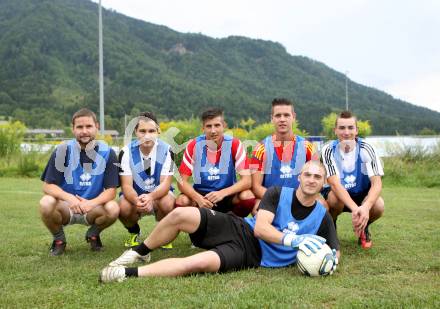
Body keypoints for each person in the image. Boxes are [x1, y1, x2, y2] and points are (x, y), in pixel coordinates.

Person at [99, 161, 339, 283]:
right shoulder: (277, 193)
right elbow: (262, 229)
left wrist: (326, 261)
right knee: (180, 214)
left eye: (317, 177)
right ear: (299, 177)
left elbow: (334, 252)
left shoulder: (323, 217)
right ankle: (140, 251)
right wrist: (294, 240)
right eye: (307, 175)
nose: (311, 180)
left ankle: (125, 273)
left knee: (195, 264)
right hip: (241, 228)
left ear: (323, 183)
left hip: (251, 256)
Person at [39, 108, 120, 256]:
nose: (84, 131)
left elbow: (111, 191)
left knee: (113, 208)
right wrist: (70, 198)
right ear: (73, 129)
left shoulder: (108, 153)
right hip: (66, 207)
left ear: (97, 127)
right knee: (46, 202)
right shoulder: (62, 151)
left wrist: (91, 203)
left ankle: (93, 234)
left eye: (88, 126)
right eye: (80, 127)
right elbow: (48, 186)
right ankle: (59, 240)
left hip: (92, 208)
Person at [320, 110, 384, 249]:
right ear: (335, 130)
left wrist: (365, 208)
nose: (346, 132)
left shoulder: (367, 148)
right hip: (338, 195)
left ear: (356, 130)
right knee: (334, 199)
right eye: (342, 128)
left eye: (350, 127)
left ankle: (364, 227)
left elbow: (377, 183)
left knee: (379, 205)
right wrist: (356, 209)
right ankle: (332, 228)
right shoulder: (328, 149)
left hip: (361, 194)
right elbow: (334, 184)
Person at [176, 108, 255, 217]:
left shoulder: (235, 144)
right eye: (209, 126)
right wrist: (198, 198)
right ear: (203, 128)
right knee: (182, 200)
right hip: (202, 197)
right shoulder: (194, 145)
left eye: (217, 125)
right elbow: (181, 182)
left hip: (227, 195)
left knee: (248, 196)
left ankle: (233, 225)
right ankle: (197, 229)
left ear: (224, 126)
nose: (213, 131)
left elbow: (247, 181)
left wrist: (223, 193)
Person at [118, 112, 175, 248]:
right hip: (135, 197)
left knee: (167, 202)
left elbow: (165, 184)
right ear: (136, 132)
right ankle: (134, 232)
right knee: (123, 207)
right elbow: (126, 186)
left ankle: (164, 235)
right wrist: (137, 200)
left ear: (158, 131)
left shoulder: (168, 150)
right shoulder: (125, 152)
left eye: (151, 131)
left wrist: (150, 197)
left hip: (159, 196)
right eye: (142, 131)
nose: (147, 135)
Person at [250, 98, 315, 214]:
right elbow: (256, 187)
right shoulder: (260, 148)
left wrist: (299, 199)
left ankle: (326, 227)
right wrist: (281, 200)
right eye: (278, 115)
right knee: (257, 208)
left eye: (286, 115)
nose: (282, 119)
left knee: (323, 204)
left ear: (293, 117)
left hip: (300, 199)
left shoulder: (307, 147)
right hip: (272, 200)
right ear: (272, 119)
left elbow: (316, 180)